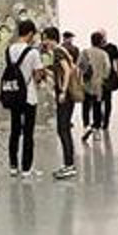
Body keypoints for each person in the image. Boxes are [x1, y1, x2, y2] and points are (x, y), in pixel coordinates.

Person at [5, 20, 42, 178]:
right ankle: (26, 168)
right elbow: (38, 75)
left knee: (14, 130)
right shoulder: (33, 52)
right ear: (30, 33)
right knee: (28, 132)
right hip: (29, 97)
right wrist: (36, 78)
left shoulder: (9, 50)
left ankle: (13, 166)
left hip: (14, 94)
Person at [41, 27, 77, 181]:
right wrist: (46, 71)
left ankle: (69, 165)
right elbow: (60, 72)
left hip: (65, 96)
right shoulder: (60, 51)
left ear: (51, 38)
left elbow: (67, 71)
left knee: (63, 129)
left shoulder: (57, 51)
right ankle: (68, 164)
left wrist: (63, 91)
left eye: (45, 39)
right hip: (66, 95)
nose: (44, 42)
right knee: (64, 129)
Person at [80, 32, 113, 144]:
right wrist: (103, 77)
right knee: (97, 107)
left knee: (85, 106)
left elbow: (79, 66)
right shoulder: (103, 54)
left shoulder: (84, 52)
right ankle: (96, 130)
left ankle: (86, 126)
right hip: (98, 85)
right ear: (100, 41)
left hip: (86, 84)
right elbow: (108, 69)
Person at [100, 30, 118, 130]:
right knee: (99, 99)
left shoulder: (112, 47)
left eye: (103, 35)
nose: (102, 37)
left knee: (108, 99)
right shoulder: (97, 48)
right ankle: (101, 118)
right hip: (99, 77)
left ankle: (106, 121)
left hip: (109, 76)